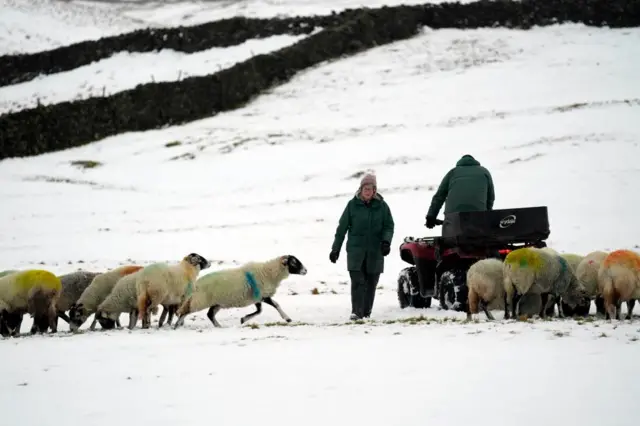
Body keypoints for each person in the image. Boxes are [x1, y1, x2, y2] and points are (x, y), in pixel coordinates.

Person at [329, 173, 394, 320]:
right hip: (356, 251)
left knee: (371, 282)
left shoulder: (382, 207)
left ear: (375, 190)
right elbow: (342, 228)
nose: (367, 191)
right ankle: (356, 312)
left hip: (375, 251)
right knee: (358, 281)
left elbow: (389, 226)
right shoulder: (352, 205)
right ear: (360, 189)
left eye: (370, 188)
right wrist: (335, 249)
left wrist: (386, 241)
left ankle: (366, 313)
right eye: (365, 188)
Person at [425, 154, 495, 228]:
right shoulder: (484, 171)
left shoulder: (452, 172)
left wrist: (431, 216)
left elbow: (439, 196)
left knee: (451, 235)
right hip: (478, 216)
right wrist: (487, 215)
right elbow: (490, 197)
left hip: (453, 218)